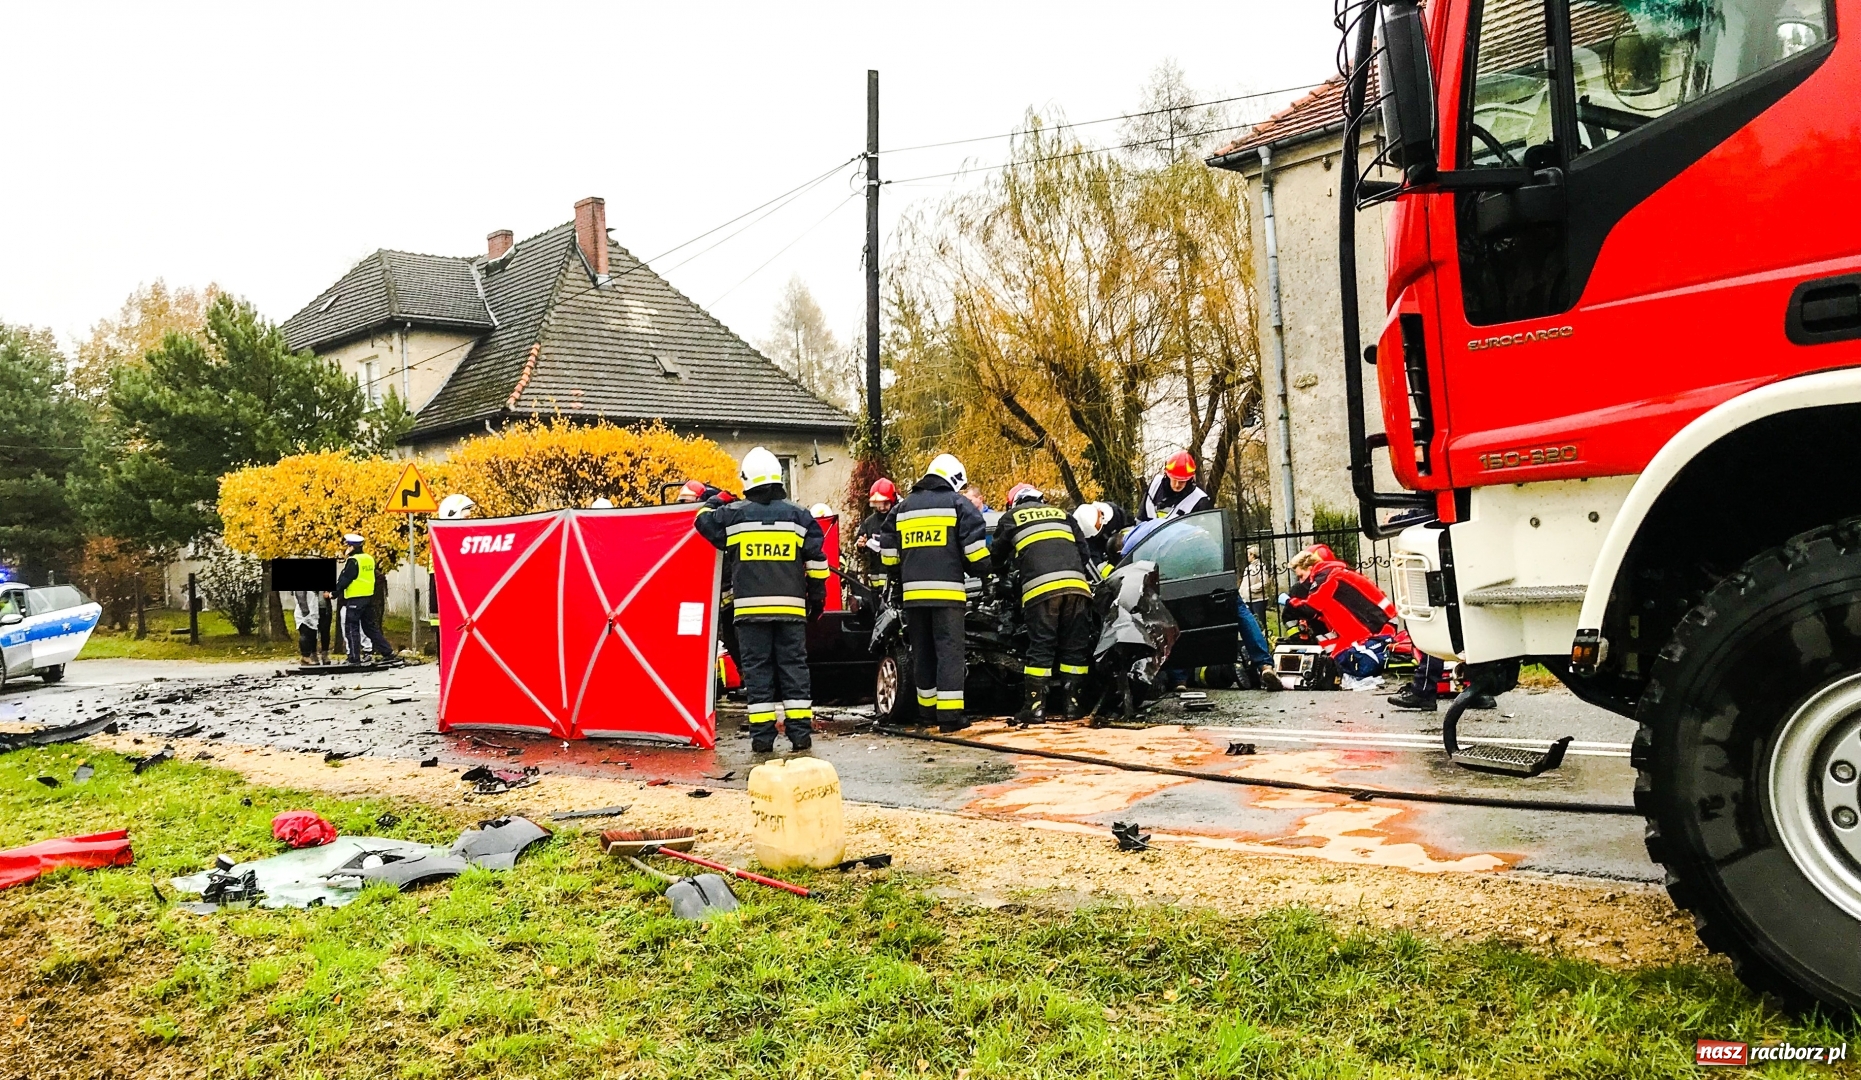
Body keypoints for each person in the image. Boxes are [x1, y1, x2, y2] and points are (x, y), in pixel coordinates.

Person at [693, 447, 828, 753]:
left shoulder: (733, 515)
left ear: (747, 480)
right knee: (794, 671)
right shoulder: (800, 516)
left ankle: (763, 739)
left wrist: (717, 499)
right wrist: (817, 599)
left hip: (750, 614)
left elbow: (701, 520)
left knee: (758, 675)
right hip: (791, 612)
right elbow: (817, 562)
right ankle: (800, 736)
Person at [879, 453, 991, 731]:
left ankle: (927, 713)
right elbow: (975, 555)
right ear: (954, 479)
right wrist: (986, 572)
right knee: (949, 653)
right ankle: (950, 717)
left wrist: (902, 572)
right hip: (947, 597)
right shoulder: (958, 505)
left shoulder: (902, 508)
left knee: (923, 653)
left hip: (914, 597)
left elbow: (888, 556)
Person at [992, 483, 1098, 725]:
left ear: (1013, 503)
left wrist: (1004, 577)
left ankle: (1035, 708)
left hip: (1041, 591)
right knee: (1074, 647)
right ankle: (1073, 707)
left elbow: (996, 557)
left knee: (1041, 647)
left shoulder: (1011, 517)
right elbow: (1084, 554)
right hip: (1077, 588)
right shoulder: (1063, 515)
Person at [1281, 546, 1397, 660]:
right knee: (1340, 659)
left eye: (1301, 576)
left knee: (1347, 662)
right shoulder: (1338, 572)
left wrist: (1288, 601)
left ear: (1311, 568)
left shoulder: (1326, 578)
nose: (1301, 581)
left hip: (1374, 629)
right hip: (1377, 625)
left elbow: (1310, 608)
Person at [336, 532, 396, 666]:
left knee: (351, 627)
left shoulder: (353, 561)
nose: (346, 549)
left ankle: (354, 658)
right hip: (369, 598)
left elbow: (346, 579)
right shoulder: (369, 559)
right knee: (370, 627)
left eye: (347, 546)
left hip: (355, 599)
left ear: (352, 547)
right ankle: (388, 652)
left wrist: (333, 593)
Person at [1140, 451, 1212, 522]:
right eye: (1174, 480)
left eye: (1182, 481)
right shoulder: (1155, 485)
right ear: (1167, 475)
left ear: (1190, 479)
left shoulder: (1199, 500)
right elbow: (1140, 518)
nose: (1177, 485)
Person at [1073, 501, 1134, 576]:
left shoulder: (1116, 514)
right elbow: (1096, 561)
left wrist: (1124, 543)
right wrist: (1115, 574)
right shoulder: (1086, 540)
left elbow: (1130, 527)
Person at [855, 478, 897, 585]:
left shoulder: (898, 518)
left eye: (885, 503)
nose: (881, 508)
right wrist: (861, 545)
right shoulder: (869, 522)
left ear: (892, 500)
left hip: (895, 577)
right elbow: (860, 543)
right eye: (878, 504)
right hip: (875, 578)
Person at [290, 588, 330, 666]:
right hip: (305, 614)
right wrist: (305, 612)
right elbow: (301, 597)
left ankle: (307, 657)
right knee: (305, 635)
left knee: (311, 635)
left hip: (313, 614)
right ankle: (305, 657)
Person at [1240, 545, 1269, 625]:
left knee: (1259, 623)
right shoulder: (1248, 568)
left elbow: (1265, 582)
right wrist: (1241, 593)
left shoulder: (1261, 567)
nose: (1247, 556)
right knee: (1251, 623)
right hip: (1248, 600)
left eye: (1248, 554)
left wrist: (1251, 589)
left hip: (1258, 600)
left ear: (1253, 555)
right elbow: (1244, 583)